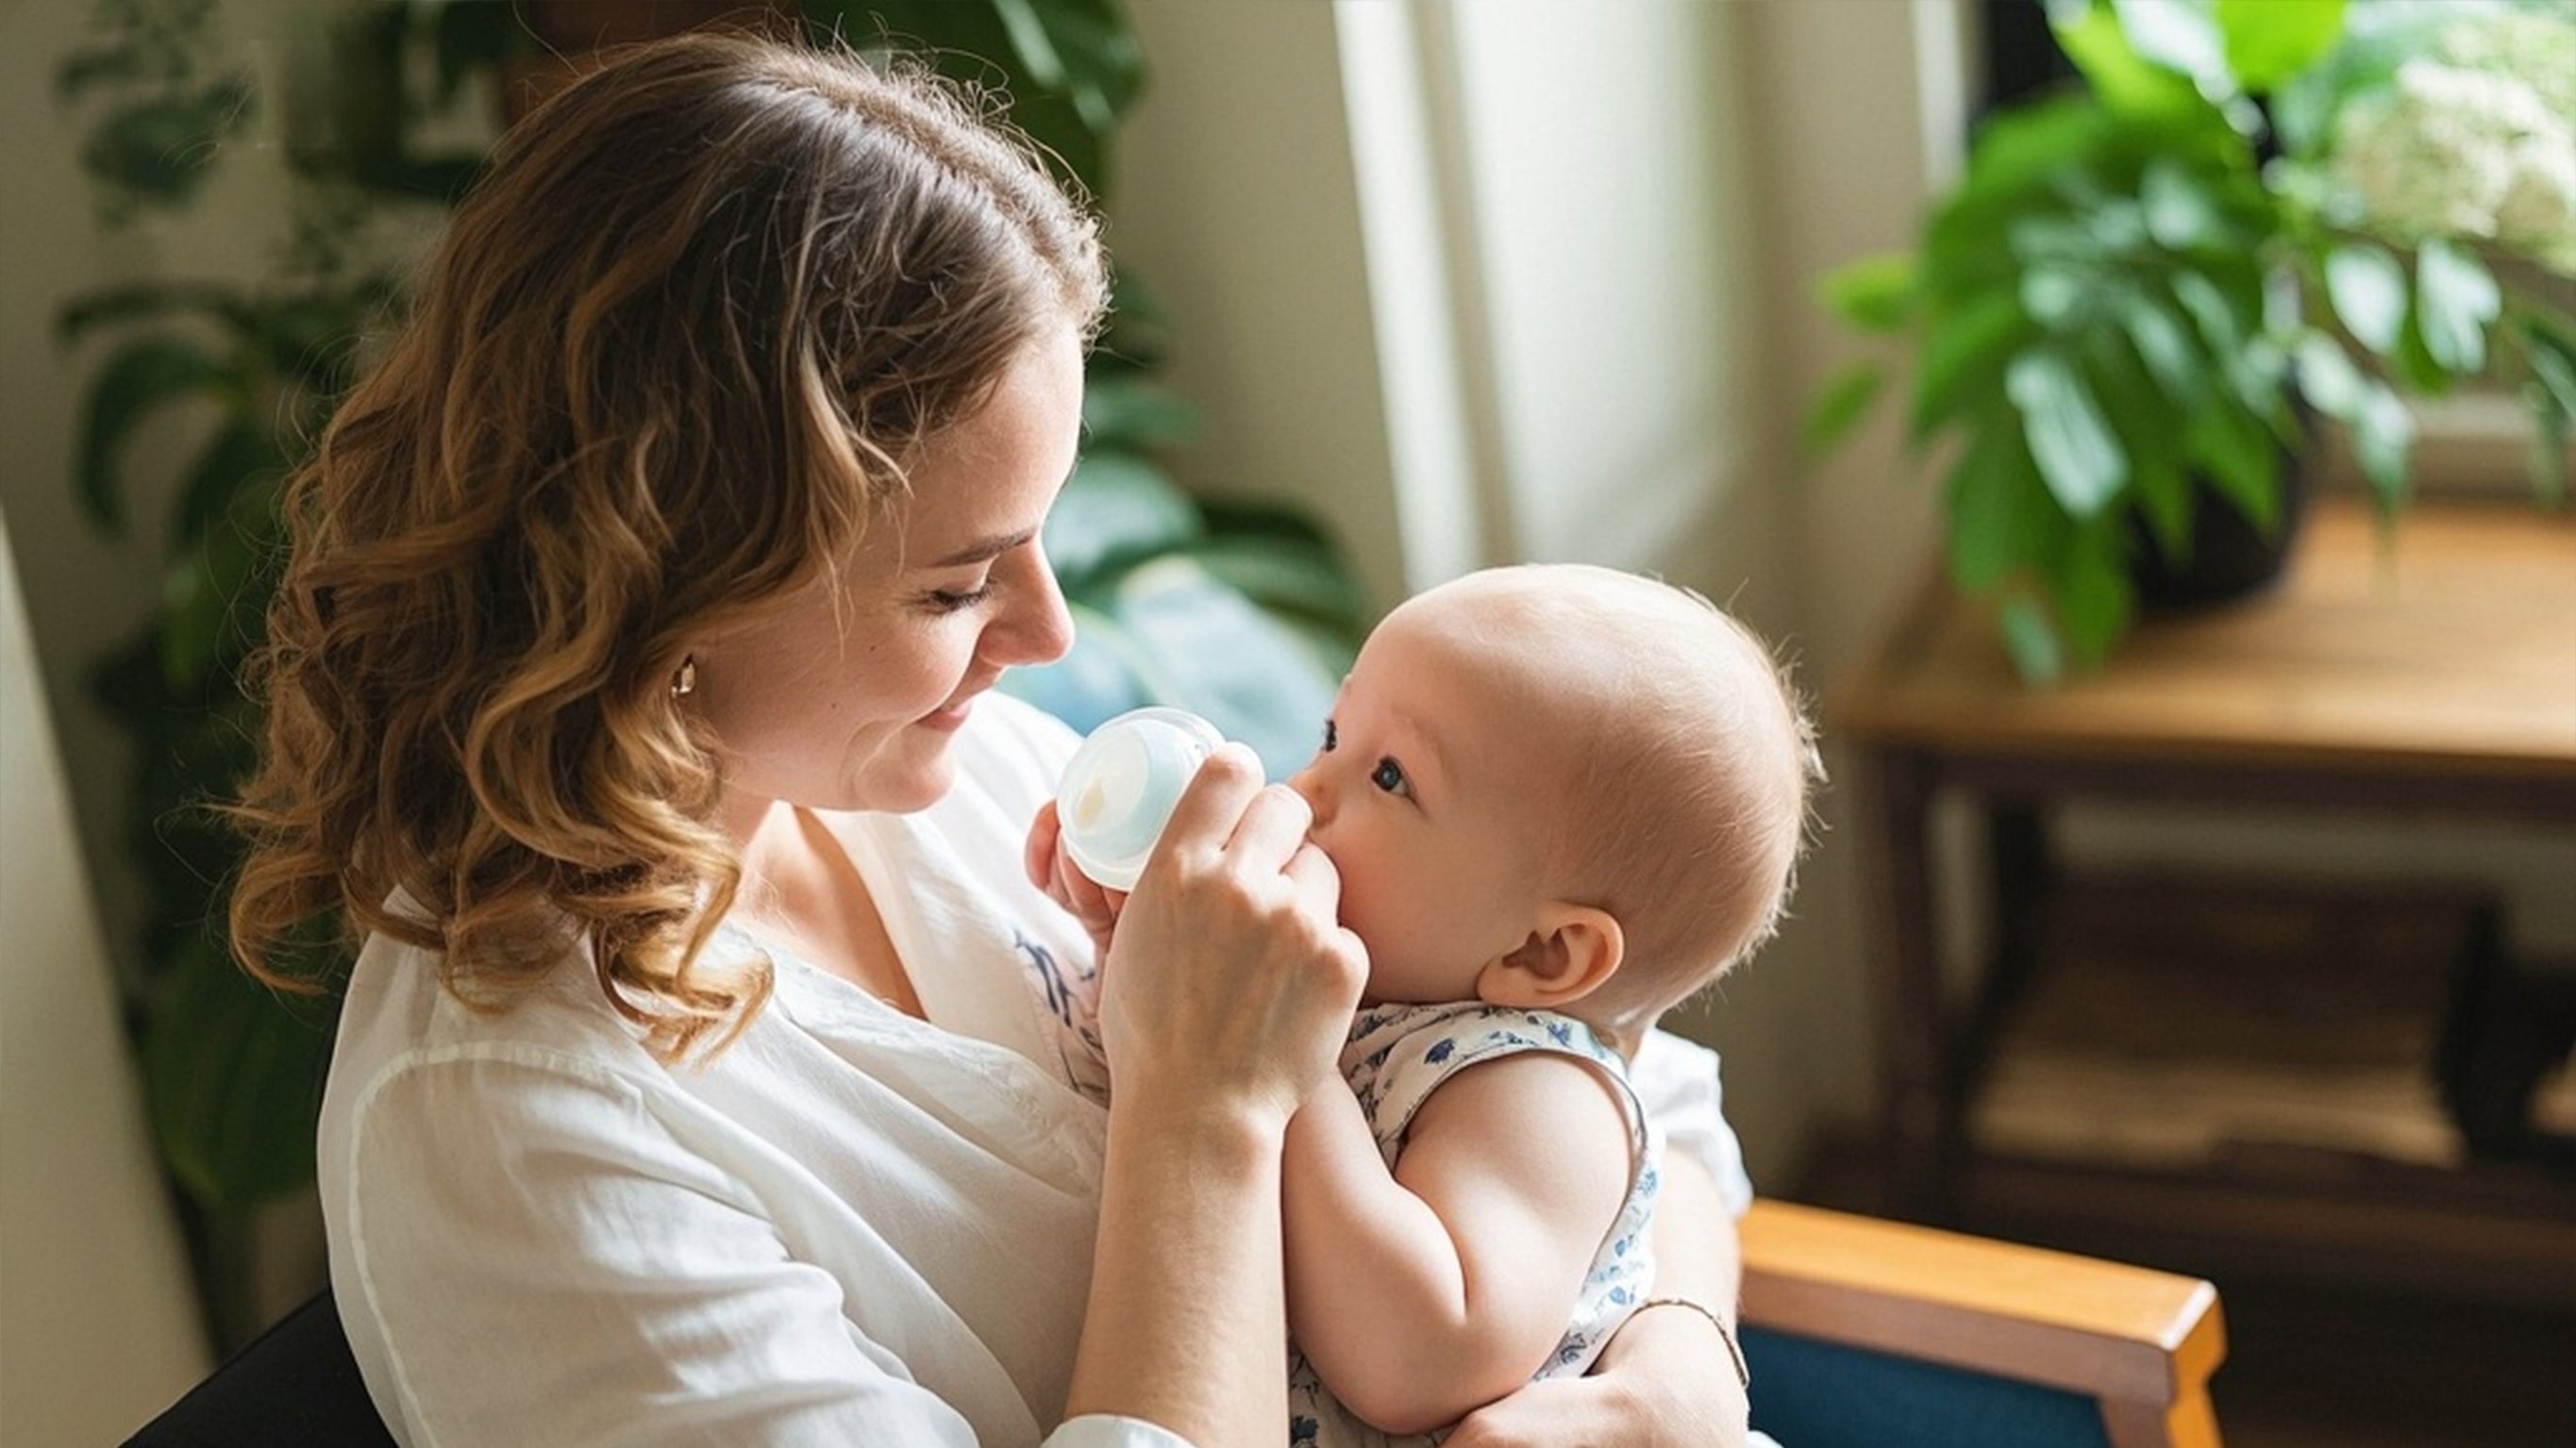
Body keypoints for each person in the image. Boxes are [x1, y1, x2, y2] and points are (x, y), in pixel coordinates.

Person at [226, 30, 1758, 1448]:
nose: (1047, 639)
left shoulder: (925, 767)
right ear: (665, 583)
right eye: (959, 582)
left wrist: (1673, 1370)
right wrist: (1202, 1110)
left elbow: (1605, 1062)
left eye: (1037, 544)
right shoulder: (524, 1136)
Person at [1027, 566, 1815, 1446]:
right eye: (1333, 734)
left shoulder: (1537, 1086)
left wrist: (1284, 1057)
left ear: (1543, 954)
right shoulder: (1391, 998)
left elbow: (1420, 1355)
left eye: (1391, 775)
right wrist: (1134, 957)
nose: (1305, 791)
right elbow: (1180, 1060)